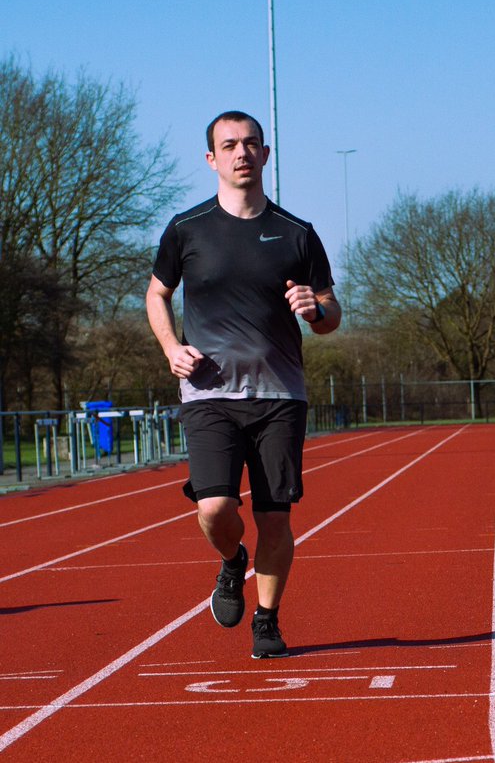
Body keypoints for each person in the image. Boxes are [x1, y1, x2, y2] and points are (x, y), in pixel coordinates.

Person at [146, 110, 340, 658]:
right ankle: (233, 563)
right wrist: (170, 348)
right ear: (212, 158)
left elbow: (331, 313)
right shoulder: (187, 229)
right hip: (209, 393)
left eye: (251, 144)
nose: (241, 153)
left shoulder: (298, 233)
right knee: (213, 509)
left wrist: (315, 308)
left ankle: (268, 619)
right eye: (229, 145)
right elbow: (156, 293)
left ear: (265, 154)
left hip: (280, 395)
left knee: (275, 516)